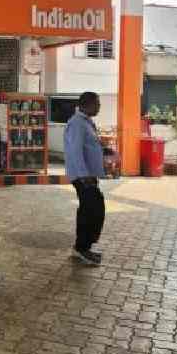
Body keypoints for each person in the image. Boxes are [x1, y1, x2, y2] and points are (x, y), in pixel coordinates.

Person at [64, 91, 106, 266]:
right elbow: (75, 151)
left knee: (89, 210)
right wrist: (84, 176)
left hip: (88, 175)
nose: (99, 107)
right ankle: (82, 248)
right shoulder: (77, 124)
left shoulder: (86, 122)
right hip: (83, 177)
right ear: (86, 104)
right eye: (97, 103)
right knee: (93, 210)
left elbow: (88, 146)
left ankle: (82, 247)